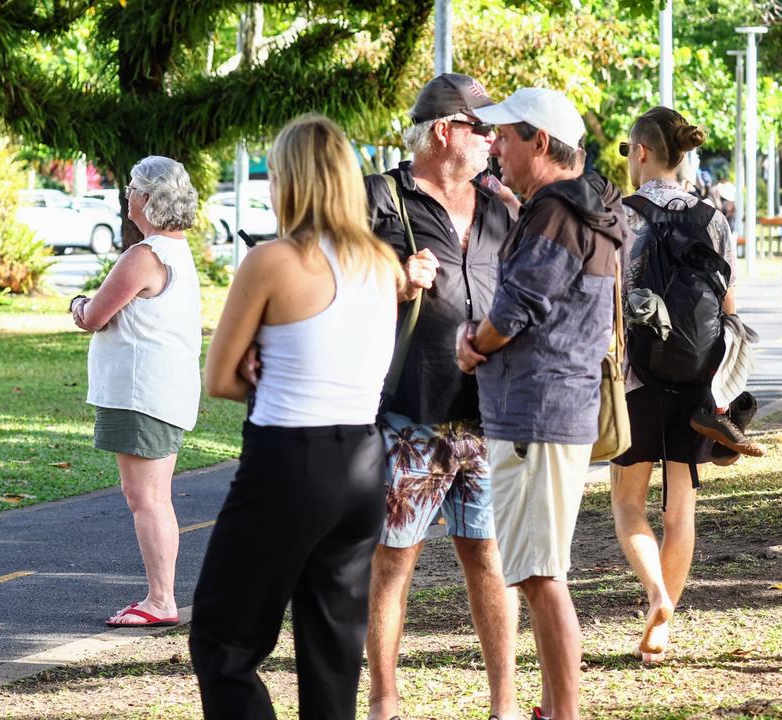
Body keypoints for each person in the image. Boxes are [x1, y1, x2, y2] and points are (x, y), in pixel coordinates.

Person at [191, 114, 403, 719]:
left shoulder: (272, 261)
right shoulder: (383, 263)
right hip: (364, 464)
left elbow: (220, 379)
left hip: (290, 460)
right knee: (332, 657)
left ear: (291, 180)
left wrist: (266, 367)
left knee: (223, 642)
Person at [459, 88, 625, 720]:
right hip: (558, 407)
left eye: (504, 135)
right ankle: (555, 708)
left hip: (537, 411)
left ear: (540, 142)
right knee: (537, 568)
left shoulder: (555, 214)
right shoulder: (587, 206)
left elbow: (518, 307)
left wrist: (470, 341)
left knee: (538, 575)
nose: (494, 145)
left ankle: (565, 713)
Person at [362, 74, 521, 720]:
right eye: (483, 128)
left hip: (488, 414)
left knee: (490, 558)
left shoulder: (501, 204)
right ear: (445, 131)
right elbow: (325, 273)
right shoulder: (380, 197)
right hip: (410, 413)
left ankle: (504, 705)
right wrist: (393, 280)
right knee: (394, 561)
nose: (492, 140)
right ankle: (384, 702)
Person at [610, 107, 741, 665]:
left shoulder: (620, 216)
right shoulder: (713, 218)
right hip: (698, 377)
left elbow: (610, 304)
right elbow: (728, 308)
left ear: (640, 152)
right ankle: (661, 627)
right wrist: (724, 386)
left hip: (638, 376)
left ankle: (656, 595)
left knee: (627, 504)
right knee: (679, 509)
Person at [71, 155, 202, 628]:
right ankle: (160, 595)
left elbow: (94, 315)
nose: (126, 194)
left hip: (141, 391)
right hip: (163, 389)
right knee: (153, 496)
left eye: (131, 187)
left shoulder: (143, 256)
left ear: (148, 198)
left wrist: (77, 303)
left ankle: (160, 599)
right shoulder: (176, 253)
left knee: (145, 498)